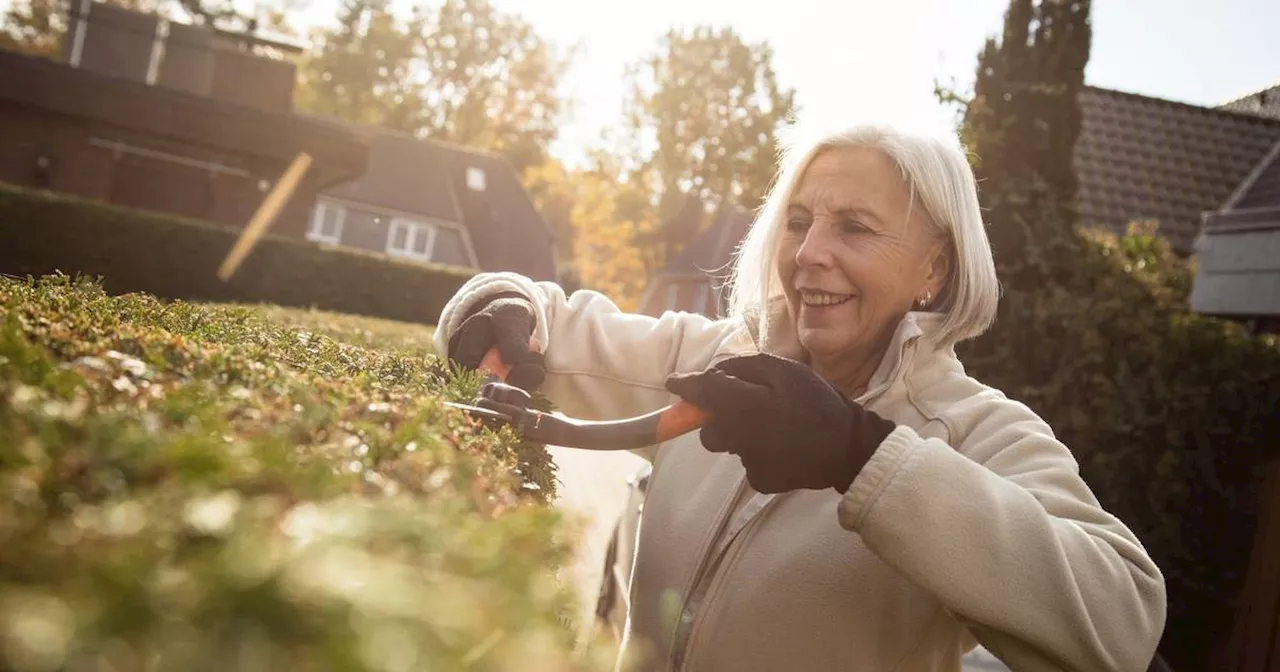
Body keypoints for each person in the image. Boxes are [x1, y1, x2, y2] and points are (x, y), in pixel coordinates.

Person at [434, 122, 1167, 672]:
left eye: (853, 227)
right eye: (797, 221)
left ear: (934, 271)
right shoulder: (719, 358)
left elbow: (1123, 622)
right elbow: (549, 324)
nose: (809, 252)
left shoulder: (978, 431)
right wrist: (498, 304)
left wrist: (864, 457)